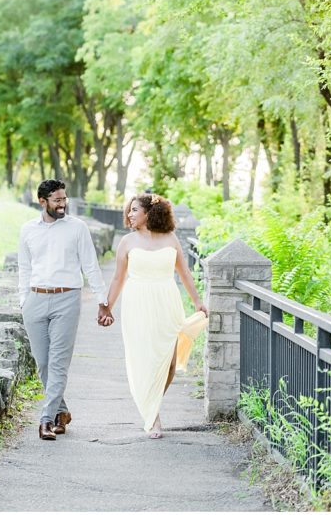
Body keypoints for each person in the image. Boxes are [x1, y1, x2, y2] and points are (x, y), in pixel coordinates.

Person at [101, 194, 209, 438]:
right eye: (128, 211)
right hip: (137, 302)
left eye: (134, 210)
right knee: (145, 360)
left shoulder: (170, 239)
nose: (129, 215)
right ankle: (153, 416)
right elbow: (118, 278)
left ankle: (151, 404)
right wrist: (107, 306)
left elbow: (185, 273)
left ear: (149, 212)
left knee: (169, 363)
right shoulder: (127, 242)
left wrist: (198, 302)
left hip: (167, 301)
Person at [18, 179, 113, 441]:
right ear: (42, 201)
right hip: (35, 299)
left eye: (64, 199)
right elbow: (24, 267)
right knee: (43, 364)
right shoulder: (28, 230)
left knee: (58, 363)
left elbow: (91, 265)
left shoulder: (77, 228)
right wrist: (23, 299)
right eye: (57, 200)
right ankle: (62, 413)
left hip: (67, 299)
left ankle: (46, 420)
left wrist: (101, 300)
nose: (62, 204)